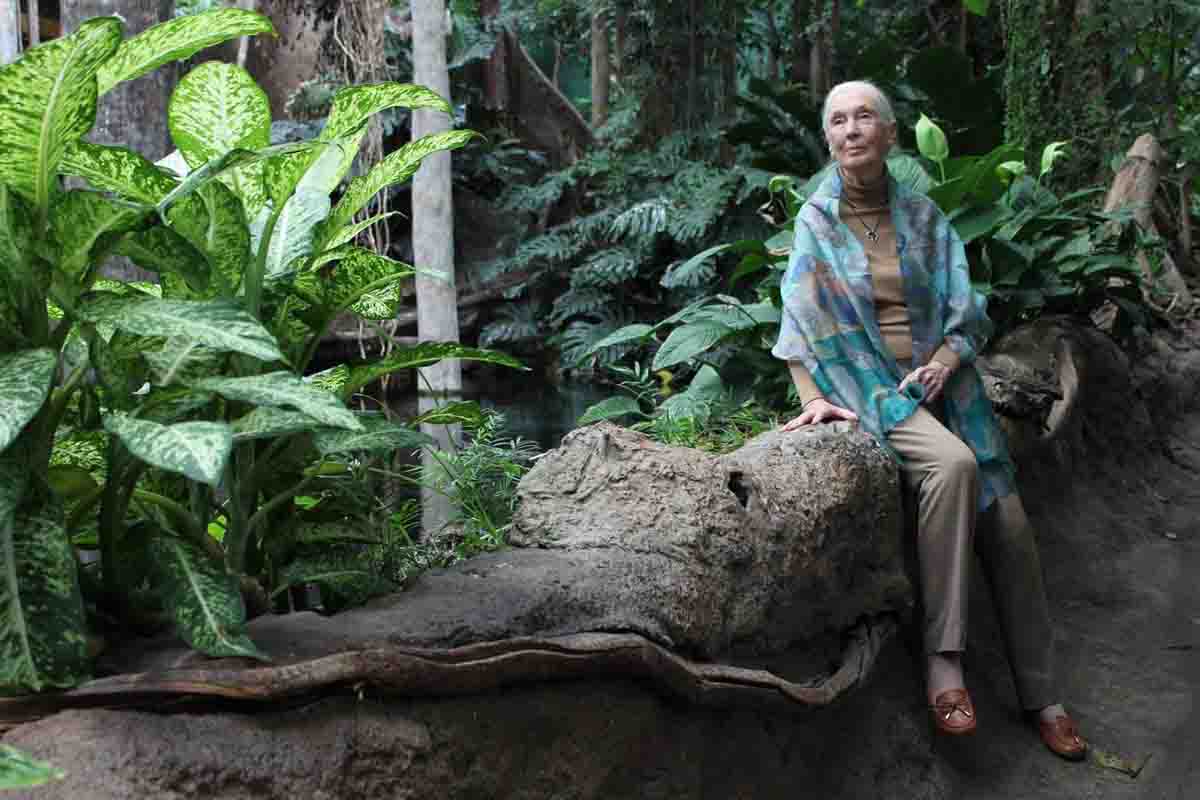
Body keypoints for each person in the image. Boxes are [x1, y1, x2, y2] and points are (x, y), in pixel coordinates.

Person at [772, 80, 1087, 760]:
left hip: (945, 384)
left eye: (864, 117)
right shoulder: (815, 222)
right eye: (837, 120)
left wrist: (947, 358)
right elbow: (798, 318)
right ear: (828, 138)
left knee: (1008, 523)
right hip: (869, 386)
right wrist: (810, 397)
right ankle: (944, 661)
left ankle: (1044, 695)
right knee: (954, 465)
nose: (851, 129)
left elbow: (964, 309)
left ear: (889, 134)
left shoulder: (924, 218)